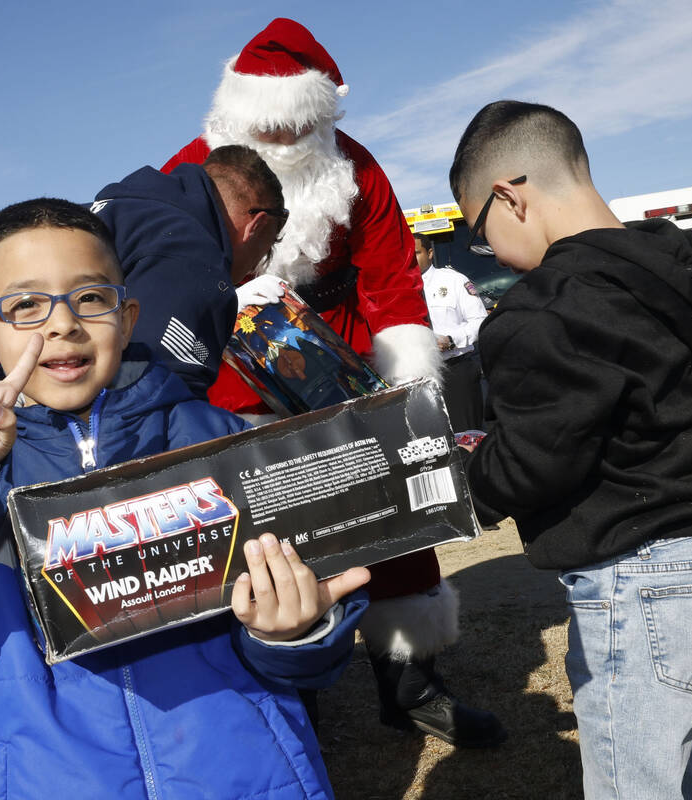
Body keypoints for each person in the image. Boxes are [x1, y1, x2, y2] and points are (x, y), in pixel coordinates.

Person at [0, 198, 370, 798]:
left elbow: (317, 647)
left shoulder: (218, 444)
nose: (62, 325)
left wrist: (292, 632)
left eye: (90, 298)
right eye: (25, 305)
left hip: (246, 775)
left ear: (127, 319)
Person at [163, 17, 504, 748]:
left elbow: (389, 273)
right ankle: (293, 698)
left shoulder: (357, 166)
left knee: (396, 517)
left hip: (344, 351)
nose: (285, 144)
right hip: (236, 366)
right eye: (271, 130)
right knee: (268, 535)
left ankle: (411, 685)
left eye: (299, 129)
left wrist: (407, 377)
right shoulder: (187, 170)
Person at [449, 100, 692, 799]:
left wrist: (460, 482)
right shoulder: (690, 267)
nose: (494, 255)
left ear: (510, 196)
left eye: (481, 235)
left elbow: (535, 458)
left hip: (641, 573)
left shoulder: (550, 308)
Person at [0, 153, 287, 549]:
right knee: (12, 606)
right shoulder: (191, 254)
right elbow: (147, 412)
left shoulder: (126, 210)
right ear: (258, 224)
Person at [92, 144, 285, 398]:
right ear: (256, 226)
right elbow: (159, 397)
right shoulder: (193, 259)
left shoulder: (123, 208)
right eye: (265, 251)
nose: (254, 268)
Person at [416, 235, 488, 431]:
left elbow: (480, 321)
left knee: (466, 436)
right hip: (418, 378)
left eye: (416, 253)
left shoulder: (453, 281)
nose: (411, 259)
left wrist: (451, 341)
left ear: (430, 253)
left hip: (455, 371)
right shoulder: (397, 289)